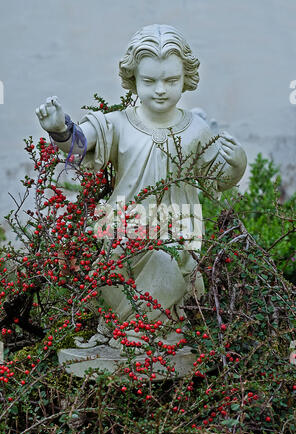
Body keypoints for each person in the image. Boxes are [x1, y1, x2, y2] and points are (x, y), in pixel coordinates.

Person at [35, 24, 247, 348]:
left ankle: (143, 335)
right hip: (122, 228)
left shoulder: (197, 130)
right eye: (149, 81)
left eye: (171, 80)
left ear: (185, 79)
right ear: (133, 78)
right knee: (112, 277)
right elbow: (80, 148)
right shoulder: (118, 123)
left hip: (177, 230)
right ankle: (134, 333)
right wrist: (61, 131)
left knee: (165, 264)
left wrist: (237, 163)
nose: (160, 89)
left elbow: (218, 179)